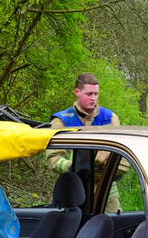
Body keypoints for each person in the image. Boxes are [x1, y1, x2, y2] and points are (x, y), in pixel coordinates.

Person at [47, 73, 124, 212]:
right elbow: (52, 158)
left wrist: (105, 159)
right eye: (89, 94)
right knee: (72, 229)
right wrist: (73, 166)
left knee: (111, 227)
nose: (93, 98)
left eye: (96, 94)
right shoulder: (61, 121)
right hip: (73, 189)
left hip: (106, 190)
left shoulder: (110, 118)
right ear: (77, 92)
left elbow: (121, 156)